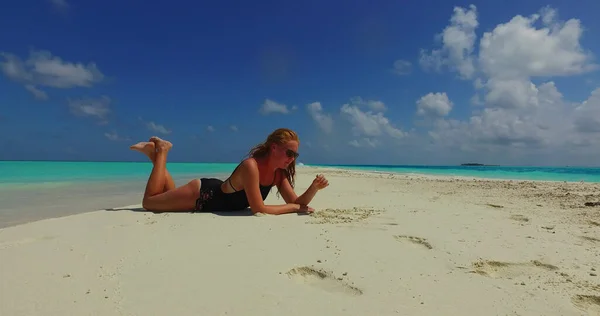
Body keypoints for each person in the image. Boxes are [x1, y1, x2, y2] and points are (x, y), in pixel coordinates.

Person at [129, 128, 329, 215]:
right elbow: (259, 209)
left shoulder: (279, 173)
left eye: (295, 155)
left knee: (164, 196)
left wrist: (313, 189)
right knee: (150, 202)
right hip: (203, 196)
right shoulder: (251, 166)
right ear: (274, 147)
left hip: (213, 196)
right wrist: (294, 209)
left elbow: (295, 203)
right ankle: (161, 151)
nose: (292, 158)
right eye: (289, 153)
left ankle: (154, 157)